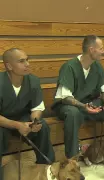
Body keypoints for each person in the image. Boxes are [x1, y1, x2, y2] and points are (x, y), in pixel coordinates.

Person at [51, 35, 104, 159]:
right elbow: (65, 97)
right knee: (72, 113)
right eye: (101, 49)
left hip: (90, 105)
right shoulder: (69, 67)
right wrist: (83, 106)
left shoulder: (97, 66)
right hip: (70, 106)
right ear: (92, 50)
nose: (103, 52)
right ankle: (73, 158)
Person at [0, 48, 55, 180]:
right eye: (21, 61)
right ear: (9, 66)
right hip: (3, 122)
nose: (27, 64)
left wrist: (34, 122)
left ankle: (46, 169)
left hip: (23, 119)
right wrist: (17, 125)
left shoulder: (33, 81)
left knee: (43, 127)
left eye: (27, 59)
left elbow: (37, 108)